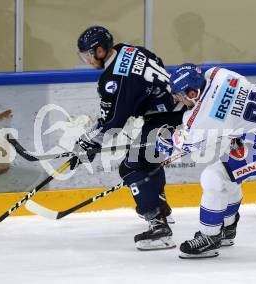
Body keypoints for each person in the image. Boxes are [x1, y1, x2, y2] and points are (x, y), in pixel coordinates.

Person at [157, 63, 256, 258]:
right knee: (229, 173)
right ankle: (228, 227)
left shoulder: (203, 118)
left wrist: (167, 142)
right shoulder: (218, 73)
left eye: (181, 95)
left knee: (214, 177)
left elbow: (186, 142)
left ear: (192, 93)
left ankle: (210, 237)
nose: (179, 99)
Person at [73, 26, 186, 250]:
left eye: (88, 54)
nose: (87, 59)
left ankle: (159, 228)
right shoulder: (131, 50)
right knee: (147, 159)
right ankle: (160, 206)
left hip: (166, 119)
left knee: (132, 166)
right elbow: (157, 65)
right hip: (180, 109)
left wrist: (88, 141)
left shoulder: (113, 78)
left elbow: (112, 122)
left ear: (100, 50)